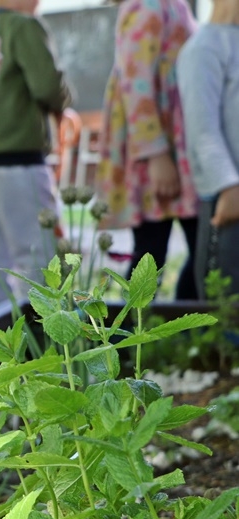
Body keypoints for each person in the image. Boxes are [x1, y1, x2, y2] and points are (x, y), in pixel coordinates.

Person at [0, 0, 69, 309]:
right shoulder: (23, 27)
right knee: (37, 257)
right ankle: (47, 339)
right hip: (19, 158)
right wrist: (62, 100)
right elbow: (47, 86)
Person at [96, 0, 198, 299]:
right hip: (158, 156)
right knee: (151, 254)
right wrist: (155, 154)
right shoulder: (145, 6)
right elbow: (135, 82)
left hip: (179, 151)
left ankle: (184, 332)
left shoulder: (173, 4)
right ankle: (127, 341)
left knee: (201, 248)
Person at [177, 0, 239, 297]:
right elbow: (203, 131)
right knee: (225, 299)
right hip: (228, 200)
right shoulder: (204, 48)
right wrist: (228, 187)